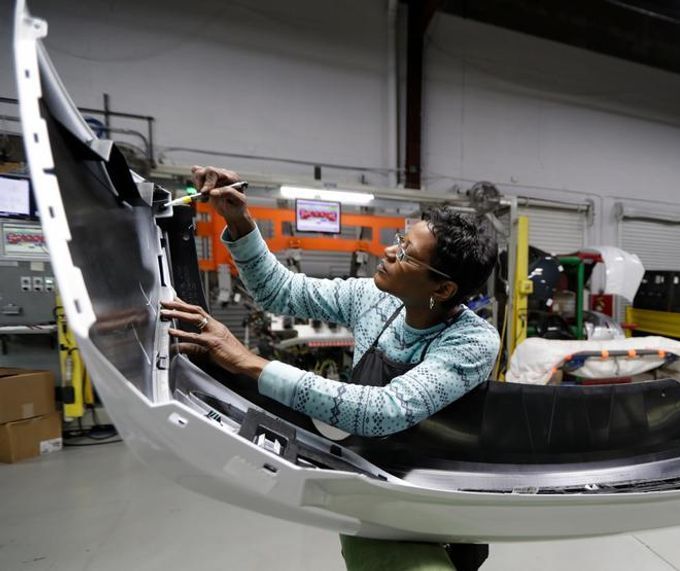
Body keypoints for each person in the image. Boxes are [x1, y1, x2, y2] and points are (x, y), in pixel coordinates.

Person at [160, 166, 500, 570]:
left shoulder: (472, 340)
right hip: (372, 485)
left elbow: (384, 411)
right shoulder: (372, 299)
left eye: (406, 253)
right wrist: (239, 220)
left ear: (442, 289)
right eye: (398, 241)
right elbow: (279, 290)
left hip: (442, 501)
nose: (389, 253)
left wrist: (250, 363)